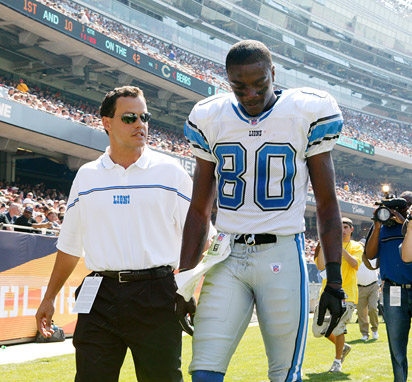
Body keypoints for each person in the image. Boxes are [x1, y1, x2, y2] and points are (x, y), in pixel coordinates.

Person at [180, 40, 346, 382]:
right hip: (226, 255)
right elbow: (199, 209)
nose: (251, 94)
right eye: (240, 87)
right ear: (227, 81)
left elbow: (327, 203)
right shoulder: (211, 117)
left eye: (259, 84)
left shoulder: (304, 111)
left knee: (285, 374)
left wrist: (335, 278)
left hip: (282, 253)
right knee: (203, 371)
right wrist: (183, 281)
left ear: (274, 73)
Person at [36, 86, 197, 382]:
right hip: (100, 294)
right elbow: (70, 246)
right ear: (106, 123)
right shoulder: (86, 176)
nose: (140, 124)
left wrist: (188, 288)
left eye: (144, 116)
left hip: (157, 294)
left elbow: (200, 237)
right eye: (130, 117)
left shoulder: (171, 172)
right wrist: (49, 298)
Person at [365, 191, 412, 382]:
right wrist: (376, 227)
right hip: (393, 290)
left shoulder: (409, 225)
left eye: (404, 206)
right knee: (396, 345)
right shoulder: (382, 228)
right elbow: (369, 255)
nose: (398, 211)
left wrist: (405, 224)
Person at [313, 217, 362, 372]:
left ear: (351, 229)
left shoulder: (356, 246)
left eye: (346, 226)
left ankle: (337, 361)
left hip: (346, 296)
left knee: (338, 328)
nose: (343, 229)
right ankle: (343, 347)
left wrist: (340, 248)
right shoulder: (326, 246)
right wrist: (322, 243)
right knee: (318, 330)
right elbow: (320, 266)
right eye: (339, 227)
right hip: (326, 294)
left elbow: (355, 264)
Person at [356, 254, 380, 341]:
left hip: (373, 286)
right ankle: (365, 333)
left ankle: (375, 330)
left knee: (373, 308)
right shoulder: (355, 261)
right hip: (359, 288)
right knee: (361, 312)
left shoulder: (372, 259)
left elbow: (380, 269)